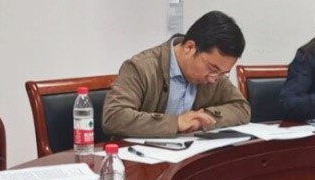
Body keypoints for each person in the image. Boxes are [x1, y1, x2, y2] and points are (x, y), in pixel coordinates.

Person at [102, 11, 249, 137]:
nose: (213, 79)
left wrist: (205, 117)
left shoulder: (216, 76)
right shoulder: (141, 68)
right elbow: (114, 117)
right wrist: (176, 123)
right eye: (213, 69)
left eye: (223, 73)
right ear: (190, 48)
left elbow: (242, 108)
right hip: (141, 157)